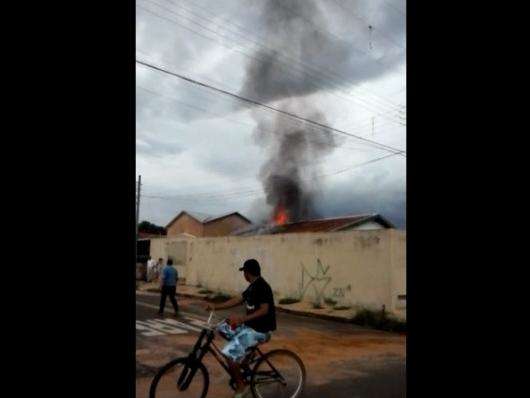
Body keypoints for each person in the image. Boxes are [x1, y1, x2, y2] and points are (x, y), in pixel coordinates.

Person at [205, 259, 276, 398]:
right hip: (251, 327)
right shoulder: (252, 286)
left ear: (247, 273)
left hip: (260, 331)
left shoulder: (262, 286)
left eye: (244, 272)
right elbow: (238, 299)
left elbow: (264, 310)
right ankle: (247, 354)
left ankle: (241, 386)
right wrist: (215, 306)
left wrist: (241, 319)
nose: (243, 274)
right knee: (222, 327)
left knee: (229, 355)